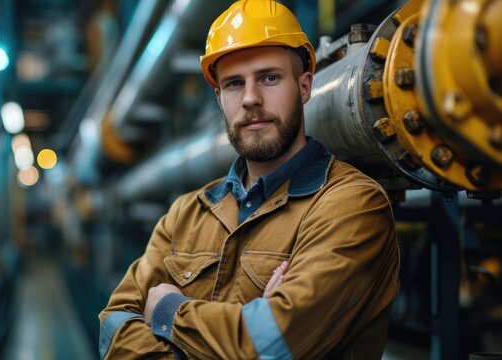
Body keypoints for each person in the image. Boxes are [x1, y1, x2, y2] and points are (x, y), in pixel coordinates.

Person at [98, 0, 399, 358]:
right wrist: (239, 333)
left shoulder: (352, 207)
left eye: (269, 78)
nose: (251, 99)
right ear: (219, 97)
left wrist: (166, 311)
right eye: (234, 84)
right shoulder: (185, 215)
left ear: (305, 87)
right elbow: (113, 329)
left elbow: (269, 345)